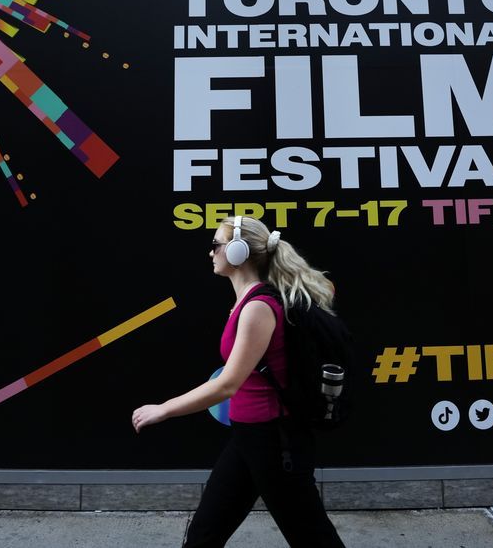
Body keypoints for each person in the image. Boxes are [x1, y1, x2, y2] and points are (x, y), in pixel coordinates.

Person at [131, 215, 345, 547]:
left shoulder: (258, 307)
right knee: (205, 533)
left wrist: (164, 410)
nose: (210, 252)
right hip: (248, 438)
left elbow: (227, 384)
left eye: (216, 245)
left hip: (275, 443)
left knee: (313, 538)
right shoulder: (245, 302)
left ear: (238, 252)